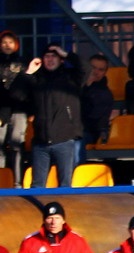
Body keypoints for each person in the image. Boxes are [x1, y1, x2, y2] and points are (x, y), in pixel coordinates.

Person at [21, 44, 84, 188]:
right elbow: (18, 94)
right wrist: (28, 73)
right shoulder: (36, 79)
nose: (50, 60)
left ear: (61, 59)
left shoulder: (71, 78)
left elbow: (84, 68)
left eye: (54, 56)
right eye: (47, 56)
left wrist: (67, 54)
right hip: (41, 141)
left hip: (64, 139)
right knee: (37, 186)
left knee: (65, 185)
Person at [0, 30, 28, 186]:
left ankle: (17, 183)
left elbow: (28, 88)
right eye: (4, 42)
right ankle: (1, 182)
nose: (7, 45)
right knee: (0, 149)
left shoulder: (23, 63)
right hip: (0, 111)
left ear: (16, 44)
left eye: (10, 42)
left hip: (19, 111)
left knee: (17, 147)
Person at [80, 54, 114, 159]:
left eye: (100, 69)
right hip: (68, 129)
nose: (96, 72)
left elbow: (91, 118)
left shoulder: (105, 94)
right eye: (93, 67)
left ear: (105, 73)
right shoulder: (74, 85)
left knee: (76, 141)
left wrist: (87, 87)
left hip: (89, 132)